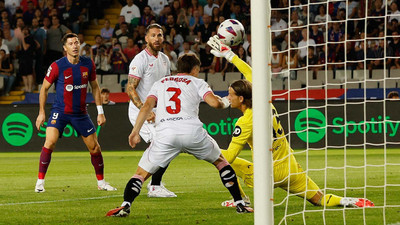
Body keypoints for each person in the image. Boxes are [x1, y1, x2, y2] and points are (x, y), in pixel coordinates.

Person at [207, 35, 375, 208]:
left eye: (230, 94)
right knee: (319, 199)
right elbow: (251, 74)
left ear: (241, 99)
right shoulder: (264, 100)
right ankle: (351, 201)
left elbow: (229, 156)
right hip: (290, 166)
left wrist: (203, 149)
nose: (227, 97)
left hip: (267, 174)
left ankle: (241, 200)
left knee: (223, 160)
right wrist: (230, 55)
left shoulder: (245, 121)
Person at [106, 54, 254, 217]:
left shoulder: (160, 83)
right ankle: (240, 203)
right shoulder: (198, 82)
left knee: (140, 174)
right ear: (195, 69)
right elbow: (214, 103)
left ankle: (125, 205)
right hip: (192, 133)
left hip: (166, 134)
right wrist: (225, 101)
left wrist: (135, 131)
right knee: (221, 162)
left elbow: (147, 106)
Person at [34, 33, 116, 193]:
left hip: (80, 113)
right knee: (49, 142)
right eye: (71, 43)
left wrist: (100, 112)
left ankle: (102, 183)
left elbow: (95, 87)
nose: (75, 46)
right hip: (60, 111)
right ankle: (40, 182)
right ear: (65, 48)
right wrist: (41, 112)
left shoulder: (88, 64)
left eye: (77, 42)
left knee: (95, 147)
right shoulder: (57, 66)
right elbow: (44, 88)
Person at [126, 23, 176, 198]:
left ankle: (156, 183)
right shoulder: (140, 60)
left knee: (169, 142)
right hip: (140, 111)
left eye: (160, 35)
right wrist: (145, 111)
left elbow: (167, 85)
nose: (157, 38)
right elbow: (130, 89)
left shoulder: (164, 59)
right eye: (153, 35)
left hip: (158, 111)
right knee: (162, 142)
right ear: (146, 38)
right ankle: (154, 186)